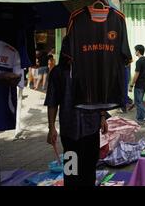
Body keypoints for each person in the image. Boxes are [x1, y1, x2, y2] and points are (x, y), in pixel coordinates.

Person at [45, 37, 108, 186]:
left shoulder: (91, 70)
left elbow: (100, 97)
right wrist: (51, 127)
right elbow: (52, 102)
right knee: (71, 170)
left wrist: (103, 117)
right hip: (69, 131)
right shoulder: (57, 73)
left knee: (89, 167)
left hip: (91, 128)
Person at [129, 45, 145, 125]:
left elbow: (136, 74)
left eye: (135, 50)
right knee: (139, 101)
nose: (135, 52)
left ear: (138, 51)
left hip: (139, 84)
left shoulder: (139, 61)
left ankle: (143, 117)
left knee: (138, 101)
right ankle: (140, 117)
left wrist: (131, 85)